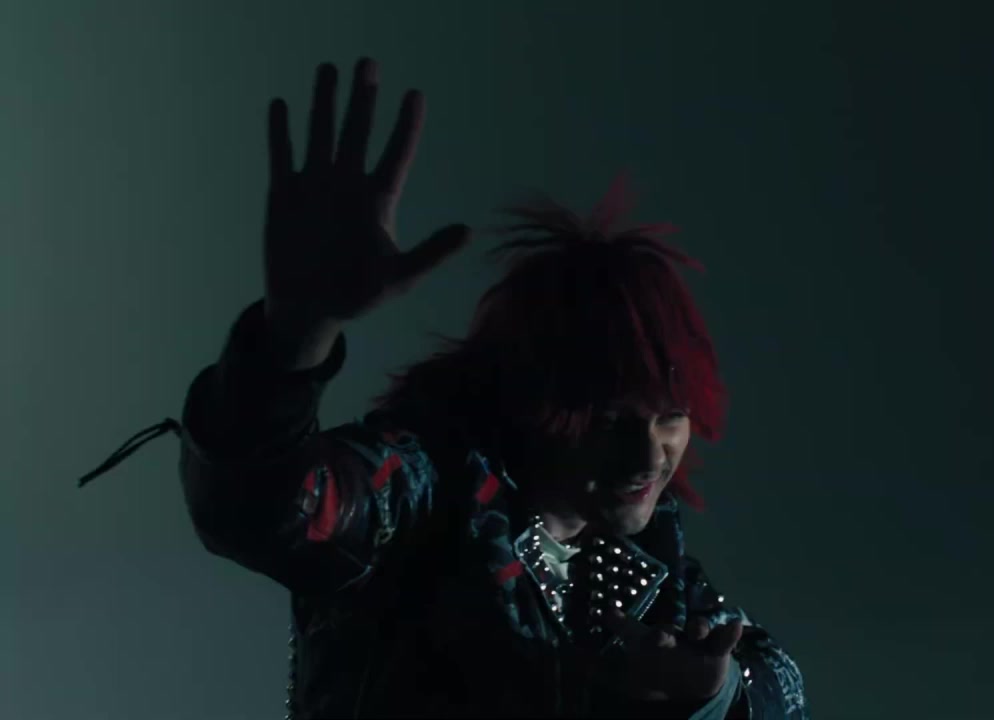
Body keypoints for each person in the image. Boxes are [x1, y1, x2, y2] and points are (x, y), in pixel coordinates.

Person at [88, 57, 808, 718]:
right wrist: (294, 333)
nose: (649, 456)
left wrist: (711, 695)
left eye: (669, 417)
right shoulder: (424, 492)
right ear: (537, 396)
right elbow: (270, 507)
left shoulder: (650, 563)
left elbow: (777, 683)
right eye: (610, 420)